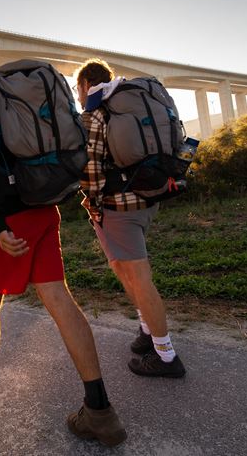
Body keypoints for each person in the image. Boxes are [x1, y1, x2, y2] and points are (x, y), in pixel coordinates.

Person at [0, 28, 126, 447]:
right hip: (45, 206)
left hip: (8, 215)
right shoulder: (11, 87)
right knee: (59, 298)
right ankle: (100, 411)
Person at [74, 59, 186, 378]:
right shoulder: (135, 100)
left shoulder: (96, 112)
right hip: (150, 198)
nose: (78, 96)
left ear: (85, 85)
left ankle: (165, 356)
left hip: (119, 208)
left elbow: (90, 169)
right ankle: (147, 331)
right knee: (123, 268)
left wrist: (92, 203)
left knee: (138, 276)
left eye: (77, 89)